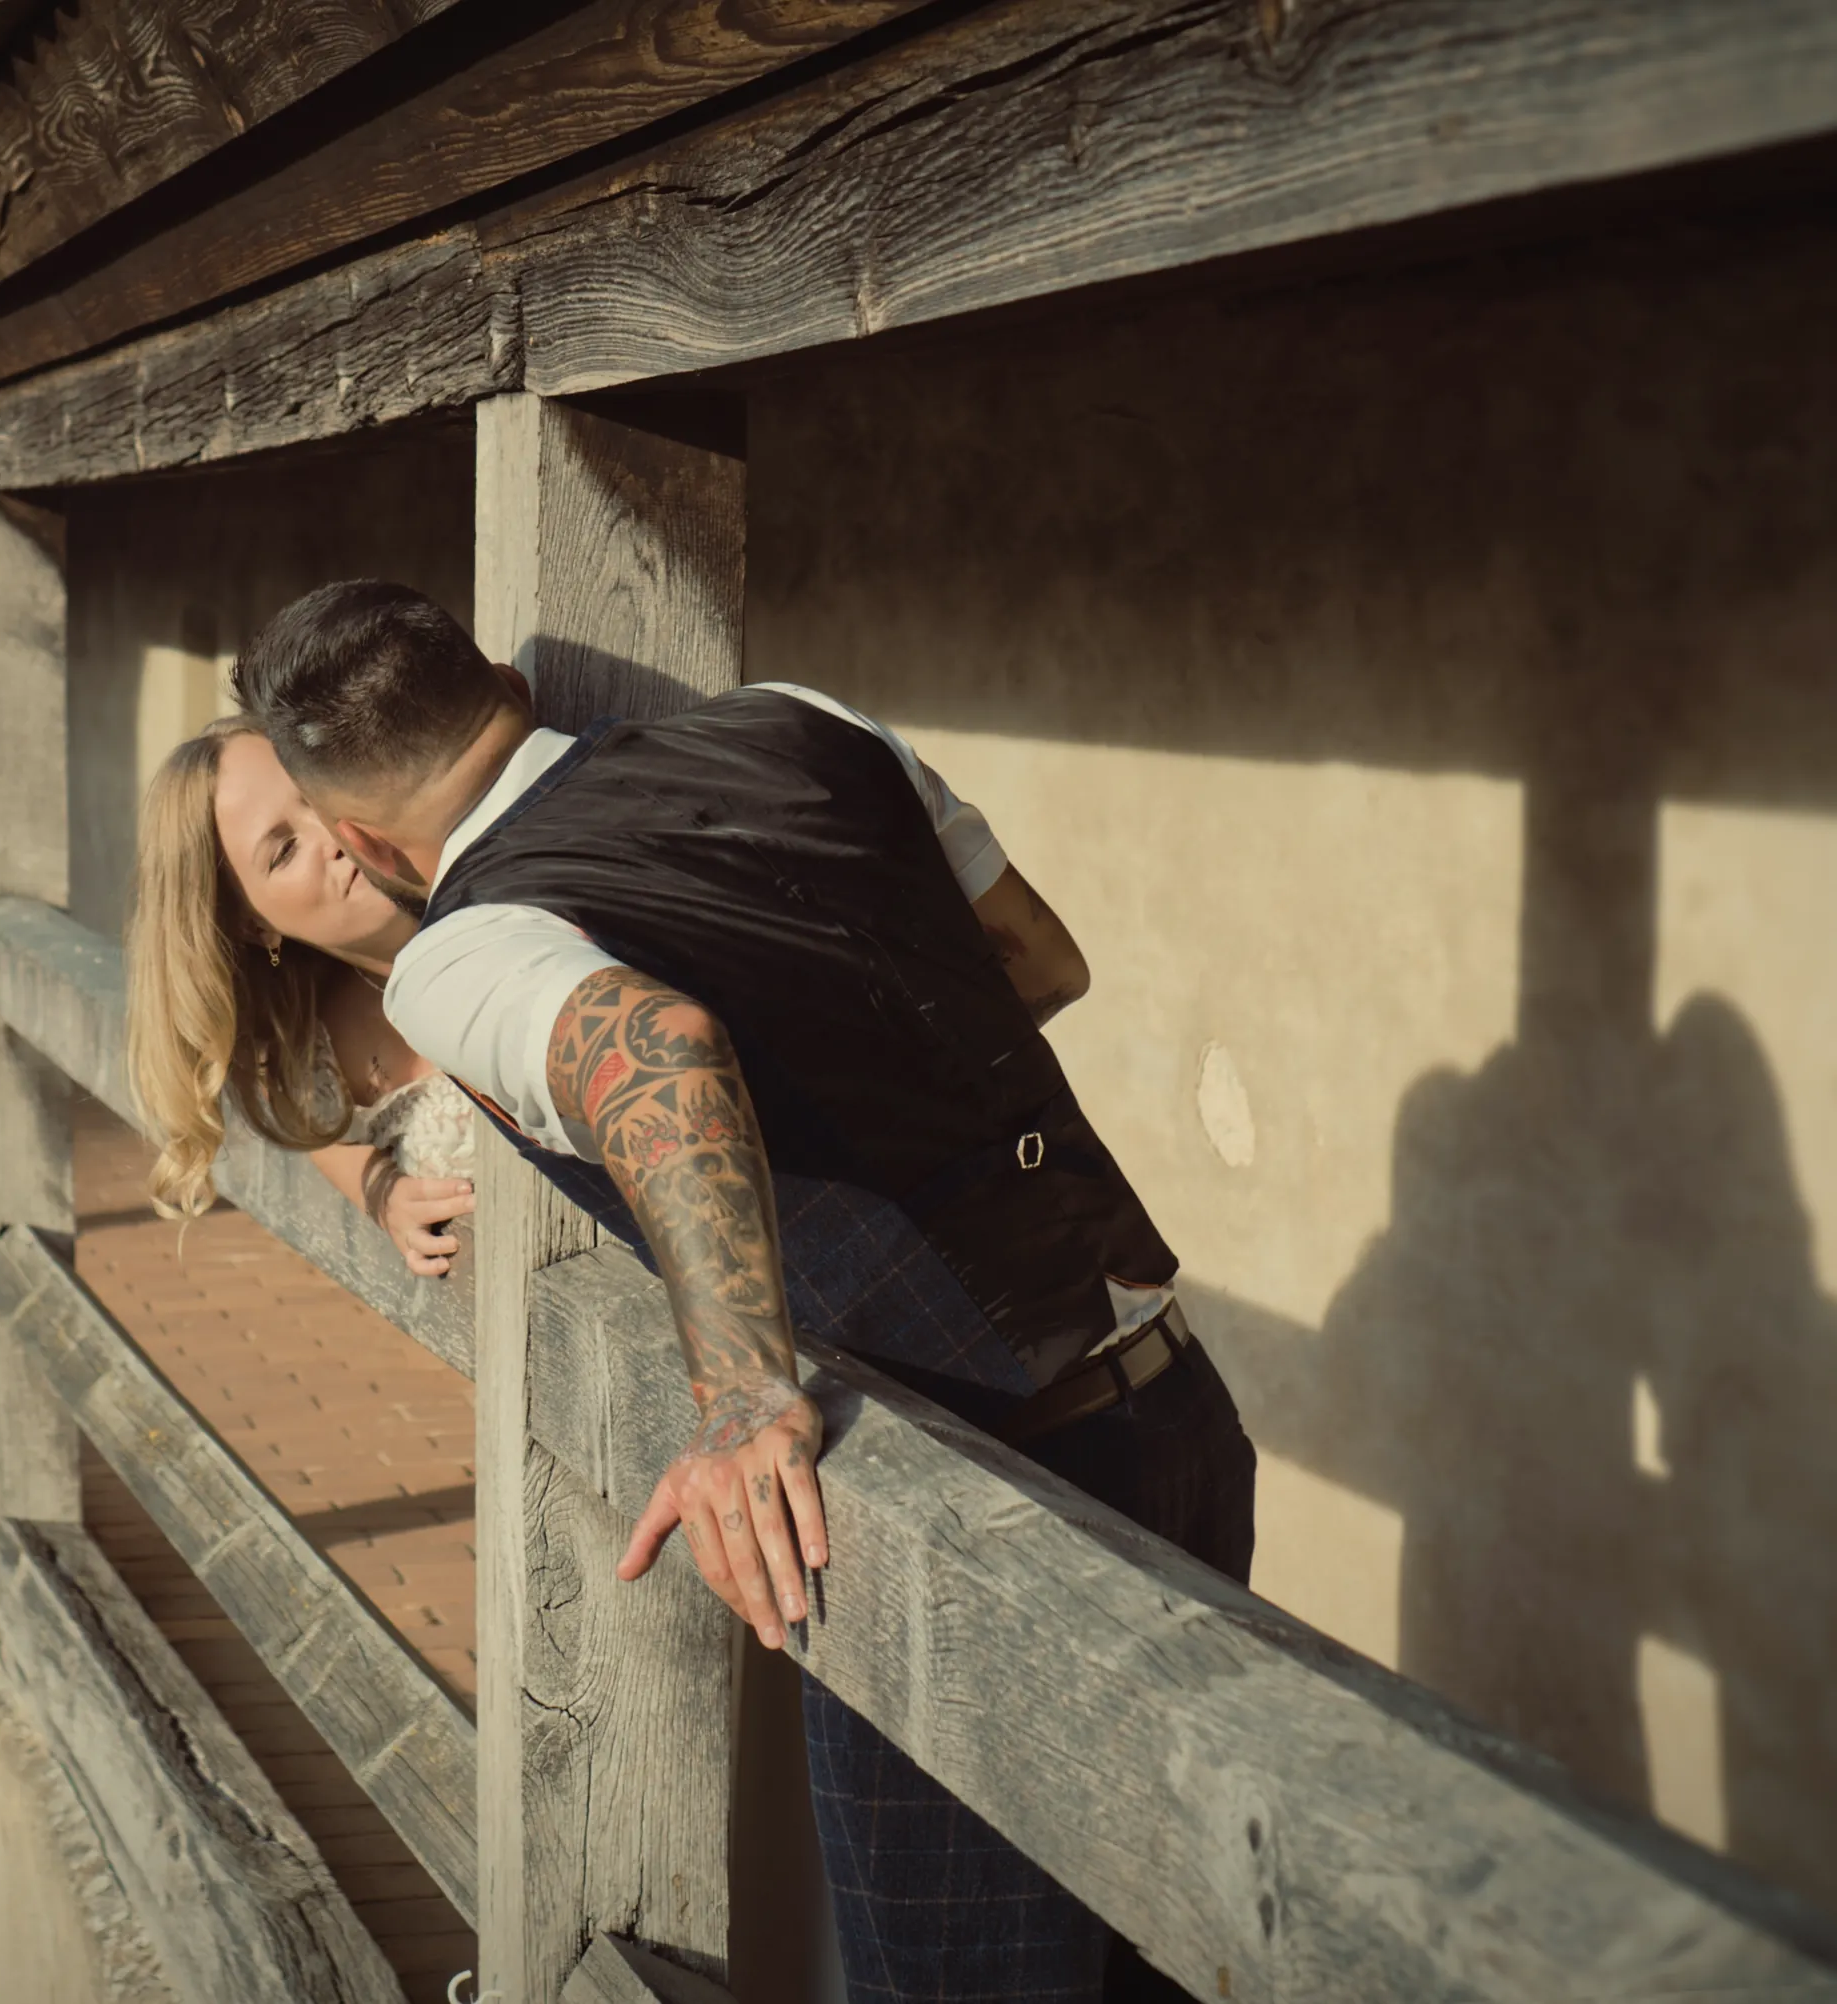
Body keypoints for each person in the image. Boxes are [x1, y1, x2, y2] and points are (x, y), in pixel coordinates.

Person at [233, 580, 1254, 2004]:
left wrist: (744, 1399)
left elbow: (657, 1046)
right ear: (501, 692)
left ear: (354, 835)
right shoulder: (800, 723)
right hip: (1180, 1421)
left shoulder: (457, 958)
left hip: (976, 1517)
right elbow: (1039, 961)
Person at [126, 714, 479, 1274]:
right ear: (252, 926)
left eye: (316, 795)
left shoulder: (500, 899)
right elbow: (319, 1133)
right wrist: (380, 1191)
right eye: (284, 851)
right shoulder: (313, 1047)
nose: (332, 836)